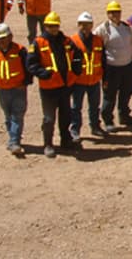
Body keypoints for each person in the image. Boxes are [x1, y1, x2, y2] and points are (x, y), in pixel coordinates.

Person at [27, 12, 83, 158]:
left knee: (65, 116)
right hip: (49, 88)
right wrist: (43, 73)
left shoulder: (66, 41)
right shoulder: (38, 43)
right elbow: (31, 64)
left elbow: (77, 54)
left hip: (65, 86)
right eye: (50, 26)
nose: (53, 29)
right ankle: (48, 144)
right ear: (45, 26)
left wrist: (76, 70)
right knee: (49, 118)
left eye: (55, 26)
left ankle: (66, 140)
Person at [0, 23, 31, 156]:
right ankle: (13, 139)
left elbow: (28, 68)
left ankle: (14, 142)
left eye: (4, 38)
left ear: (10, 37)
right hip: (2, 90)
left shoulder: (20, 50)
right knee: (7, 116)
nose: (1, 41)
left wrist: (25, 83)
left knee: (17, 115)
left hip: (18, 89)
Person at [94, 1, 132, 132]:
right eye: (112, 12)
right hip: (111, 68)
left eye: (117, 12)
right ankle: (108, 120)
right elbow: (97, 48)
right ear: (108, 14)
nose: (115, 15)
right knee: (110, 95)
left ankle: (124, 115)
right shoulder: (102, 29)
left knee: (126, 92)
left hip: (127, 66)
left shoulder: (127, 28)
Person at [70, 12, 105, 140]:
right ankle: (75, 130)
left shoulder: (97, 40)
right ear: (78, 25)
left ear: (92, 25)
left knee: (94, 106)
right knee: (76, 107)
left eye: (88, 24)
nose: (85, 27)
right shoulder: (73, 41)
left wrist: (104, 78)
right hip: (79, 81)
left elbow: (103, 60)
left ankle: (95, 127)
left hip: (94, 80)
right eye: (82, 24)